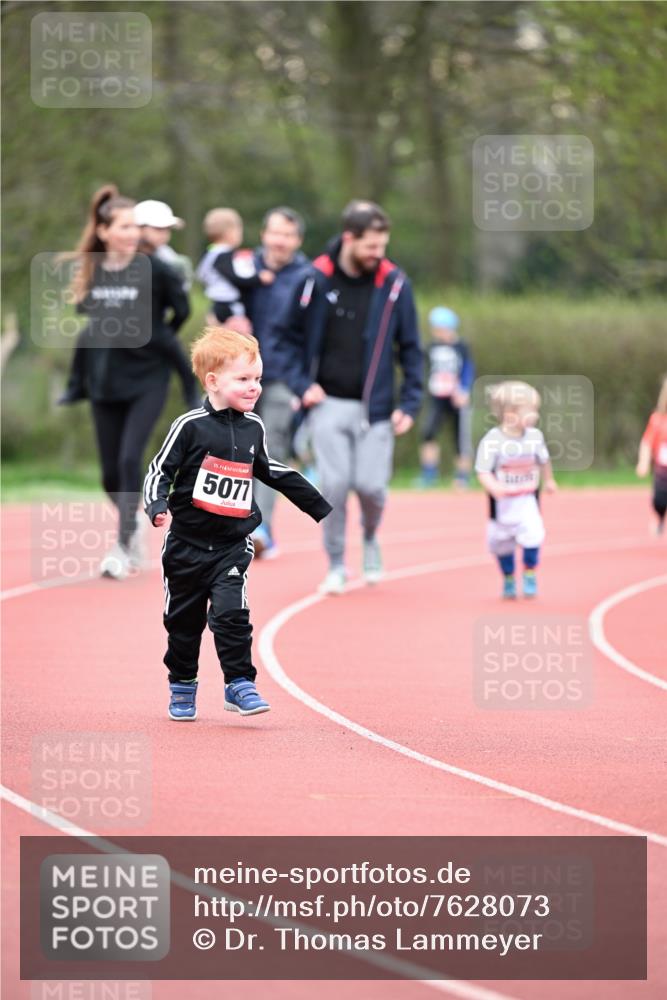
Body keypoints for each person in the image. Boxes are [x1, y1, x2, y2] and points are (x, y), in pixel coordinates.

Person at [143, 326, 332, 721]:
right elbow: (160, 470)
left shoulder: (254, 427)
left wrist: (314, 503)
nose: (254, 387)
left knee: (232, 616)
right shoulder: (189, 426)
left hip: (231, 544)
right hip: (186, 546)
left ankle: (239, 684)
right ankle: (182, 684)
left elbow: (271, 469)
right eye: (243, 379)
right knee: (183, 624)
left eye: (258, 379)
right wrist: (157, 504)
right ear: (212, 381)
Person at [278, 200, 423, 594]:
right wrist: (301, 384)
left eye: (382, 246)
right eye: (371, 247)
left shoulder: (394, 284)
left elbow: (410, 347)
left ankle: (371, 537)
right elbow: (282, 339)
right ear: (349, 239)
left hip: (376, 407)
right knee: (335, 486)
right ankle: (337, 564)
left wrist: (410, 402)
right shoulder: (314, 279)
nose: (379, 254)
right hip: (327, 403)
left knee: (372, 487)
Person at [59, 184, 192, 579]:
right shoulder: (92, 270)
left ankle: (121, 544)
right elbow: (86, 315)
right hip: (104, 380)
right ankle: (131, 525)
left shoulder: (158, 269)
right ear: (104, 232)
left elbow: (180, 311)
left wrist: (153, 336)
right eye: (124, 226)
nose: (133, 233)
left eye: (136, 226)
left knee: (130, 458)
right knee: (109, 475)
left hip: (148, 377)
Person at [475, 381, 557, 599]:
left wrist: (549, 480)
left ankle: (529, 572)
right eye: (531, 410)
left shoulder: (534, 437)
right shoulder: (493, 441)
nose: (536, 415)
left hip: (527, 500)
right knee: (500, 545)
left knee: (534, 535)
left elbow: (544, 460)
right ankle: (509, 577)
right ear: (510, 413)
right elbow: (482, 470)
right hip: (502, 506)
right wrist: (493, 487)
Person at [418, 306, 475, 489]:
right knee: (428, 433)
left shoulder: (461, 346)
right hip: (437, 397)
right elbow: (425, 369)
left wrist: (464, 390)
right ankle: (429, 475)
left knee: (461, 439)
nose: (437, 332)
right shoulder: (431, 346)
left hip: (458, 399)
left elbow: (468, 369)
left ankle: (462, 477)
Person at [195, 208, 274, 325]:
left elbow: (200, 275)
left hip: (216, 303)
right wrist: (259, 279)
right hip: (228, 305)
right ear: (230, 232)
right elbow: (235, 278)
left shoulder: (210, 252)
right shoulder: (224, 254)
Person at [636, 374, 667, 535]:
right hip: (662, 472)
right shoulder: (657, 420)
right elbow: (647, 443)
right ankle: (660, 516)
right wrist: (643, 462)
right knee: (659, 501)